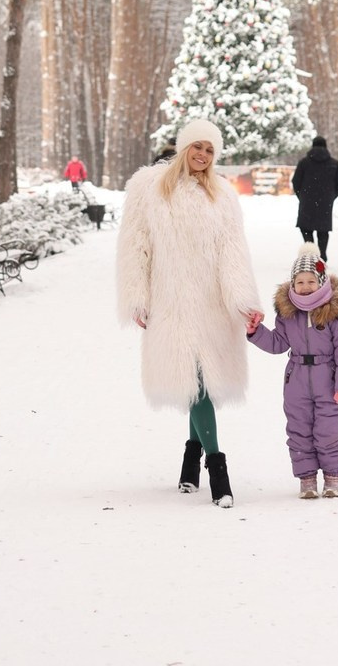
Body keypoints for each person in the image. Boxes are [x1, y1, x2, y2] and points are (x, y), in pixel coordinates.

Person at [116, 118, 263, 508]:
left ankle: (189, 466)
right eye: (197, 146)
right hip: (171, 302)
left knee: (201, 381)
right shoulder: (147, 189)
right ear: (183, 147)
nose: (202, 155)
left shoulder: (222, 195)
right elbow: (135, 246)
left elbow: (233, 251)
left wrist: (243, 300)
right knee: (195, 381)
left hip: (212, 302)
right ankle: (219, 473)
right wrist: (137, 296)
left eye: (210, 150)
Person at [247, 243, 338, 499]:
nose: (305, 286)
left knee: (331, 430)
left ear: (321, 282)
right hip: (296, 379)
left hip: (328, 379)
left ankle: (333, 477)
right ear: (292, 284)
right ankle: (306, 478)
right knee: (299, 430)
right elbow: (278, 343)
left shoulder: (334, 314)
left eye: (311, 281)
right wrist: (255, 332)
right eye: (300, 282)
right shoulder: (288, 313)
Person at [290, 135, 338, 261]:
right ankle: (322, 255)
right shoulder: (334, 164)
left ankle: (311, 253)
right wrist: (330, 197)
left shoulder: (304, 163)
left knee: (306, 229)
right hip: (325, 204)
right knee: (323, 231)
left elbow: (295, 181)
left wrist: (302, 196)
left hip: (307, 203)